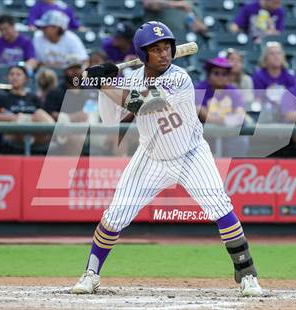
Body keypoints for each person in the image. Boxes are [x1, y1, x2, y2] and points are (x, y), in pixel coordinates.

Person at [71, 21, 263, 297]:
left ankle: (247, 274)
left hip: (190, 153)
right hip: (151, 156)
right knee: (114, 217)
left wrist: (105, 84)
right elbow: (111, 120)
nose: (164, 54)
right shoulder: (131, 79)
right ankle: (91, 274)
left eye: (167, 48)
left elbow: (145, 104)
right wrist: (105, 86)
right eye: (156, 49)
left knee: (221, 207)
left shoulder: (179, 77)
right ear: (142, 53)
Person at [195, 57, 249, 156]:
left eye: (224, 74)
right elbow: (201, 112)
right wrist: (226, 120)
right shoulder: (200, 88)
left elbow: (240, 114)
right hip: (205, 134)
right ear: (209, 74)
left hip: (229, 134)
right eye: (216, 73)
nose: (221, 76)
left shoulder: (233, 90)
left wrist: (222, 120)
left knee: (242, 140)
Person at [0, 65, 54, 144]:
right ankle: (58, 136)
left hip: (36, 132)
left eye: (18, 74)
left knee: (40, 113)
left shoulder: (34, 98)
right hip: (13, 132)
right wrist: (18, 117)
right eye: (11, 74)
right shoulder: (2, 98)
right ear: (7, 78)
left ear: (26, 79)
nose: (14, 77)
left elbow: (44, 116)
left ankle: (54, 136)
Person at [143, 0, 207, 36]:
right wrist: (176, 4)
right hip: (157, 37)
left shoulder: (190, 3)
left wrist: (191, 19)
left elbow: (203, 28)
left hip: (182, 42)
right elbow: (149, 4)